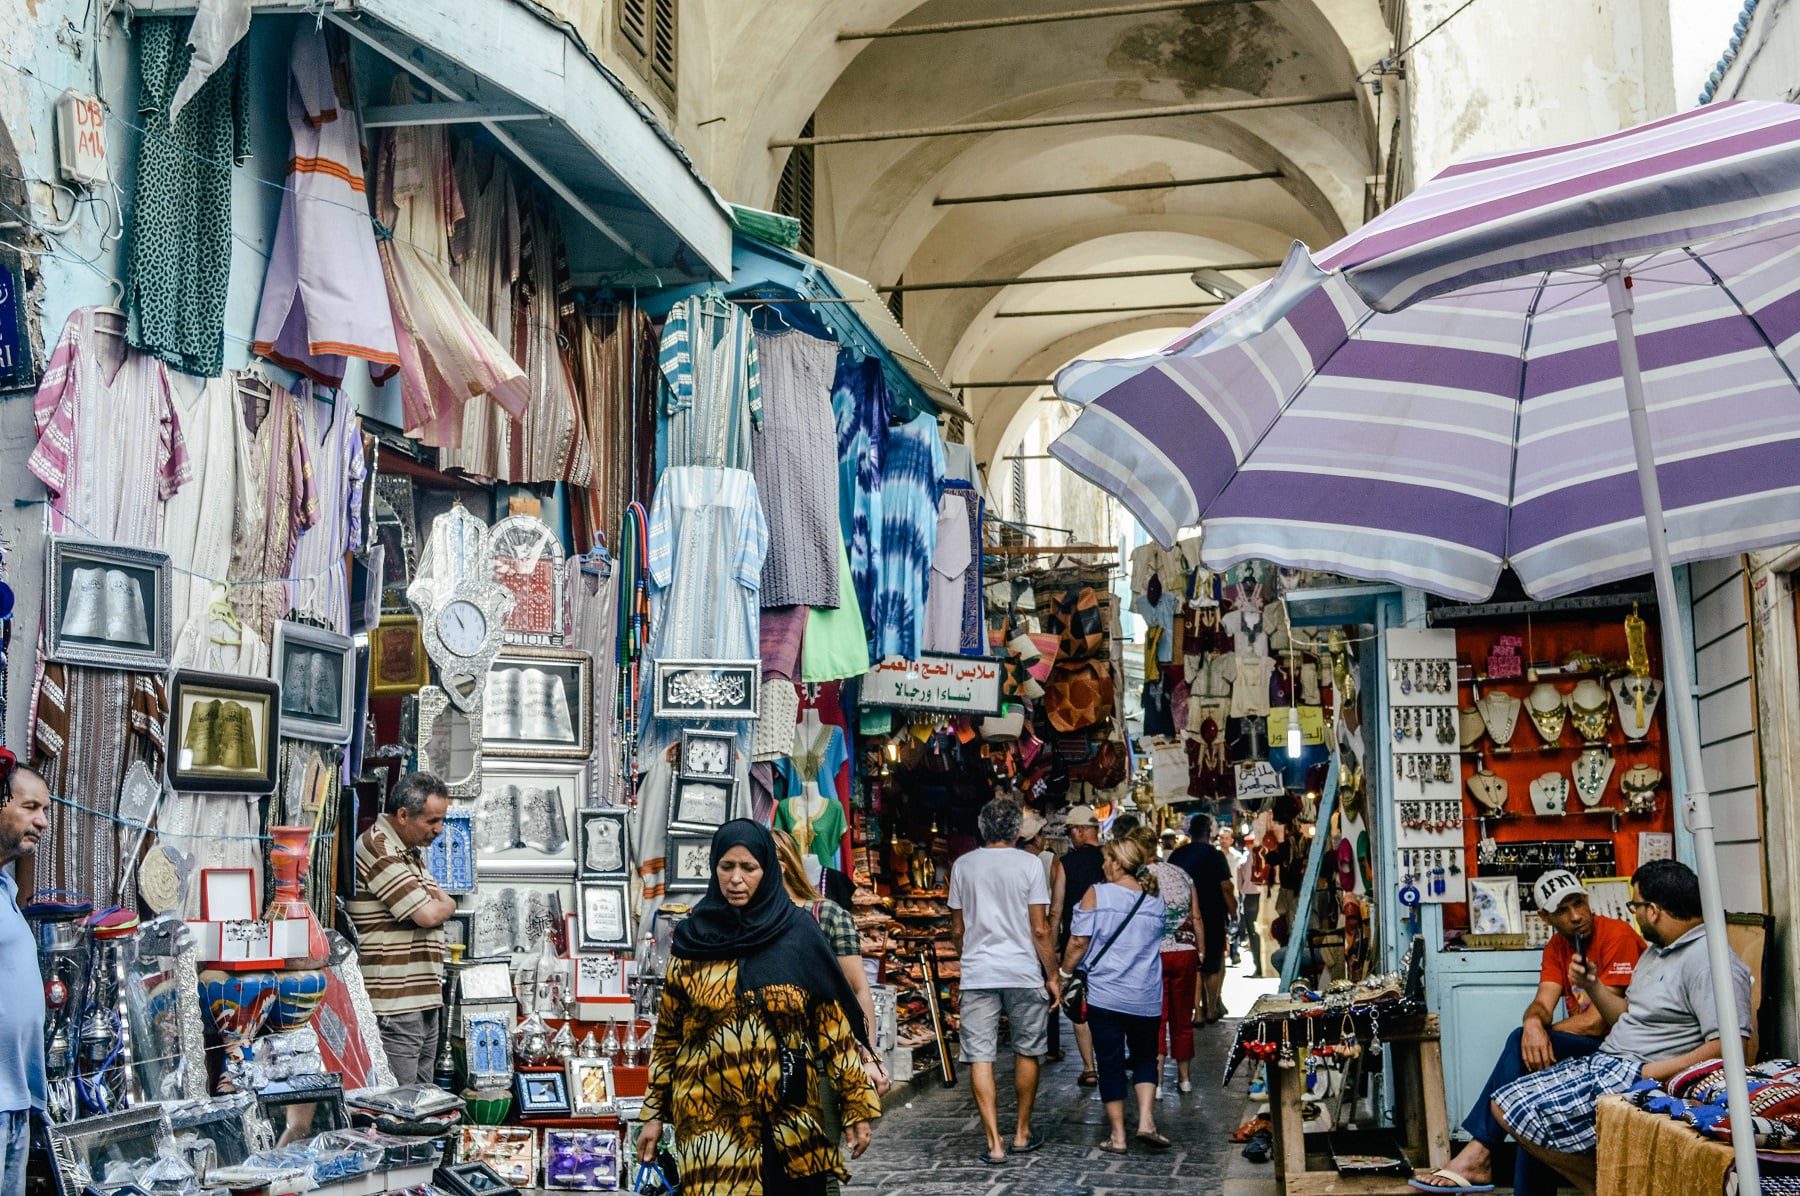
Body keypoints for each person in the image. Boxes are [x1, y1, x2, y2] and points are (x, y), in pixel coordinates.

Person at [638, 821, 879, 1195]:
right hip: (711, 1127)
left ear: (767, 871)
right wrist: (653, 1114)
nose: (736, 879)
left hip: (788, 1123)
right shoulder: (693, 940)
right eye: (726, 867)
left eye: (748, 868)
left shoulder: (799, 935)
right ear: (714, 868)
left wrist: (855, 1106)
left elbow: (833, 1031)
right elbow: (668, 1037)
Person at [1487, 861, 1752, 1196]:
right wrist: (1593, 985)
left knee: (1515, 1106)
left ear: (1653, 910)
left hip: (1638, 1070)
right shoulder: (1658, 951)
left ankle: (1609, 1187)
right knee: (1515, 1101)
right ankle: (1610, 1185)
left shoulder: (1710, 963)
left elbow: (1731, 1049)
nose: (1634, 914)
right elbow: (1626, 1016)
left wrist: (1649, 1070)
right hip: (1612, 1059)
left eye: (1636, 906)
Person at [1414, 870, 1644, 1194]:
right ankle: (1489, 1164)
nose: (1576, 916)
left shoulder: (1616, 935)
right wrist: (1533, 1025)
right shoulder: (1556, 947)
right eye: (1563, 910)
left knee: (1522, 1049)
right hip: (1590, 1053)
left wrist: (1535, 1036)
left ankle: (1479, 1153)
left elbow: (1598, 1021)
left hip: (1621, 1054)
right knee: (1530, 1087)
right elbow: (1541, 1004)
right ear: (1544, 916)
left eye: (1579, 904)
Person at [949, 798, 1060, 1165]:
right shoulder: (1030, 865)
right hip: (1023, 971)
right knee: (1028, 1049)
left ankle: (994, 1143)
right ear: (1017, 831)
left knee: (980, 1055)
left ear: (983, 830)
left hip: (979, 972)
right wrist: (1053, 975)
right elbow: (1040, 928)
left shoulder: (963, 866)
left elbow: (958, 929)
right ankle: (1022, 1133)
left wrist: (969, 955)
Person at [1061, 834, 1169, 1154]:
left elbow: (1079, 942)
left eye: (1106, 860)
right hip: (1146, 995)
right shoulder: (1155, 899)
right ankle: (1147, 1121)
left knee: (1109, 1064)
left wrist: (1064, 974)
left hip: (1106, 996)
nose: (1103, 866)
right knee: (1146, 1057)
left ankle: (1118, 1136)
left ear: (1118, 863)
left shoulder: (1098, 894)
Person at [347, 771, 457, 1085]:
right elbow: (428, 913)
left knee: (422, 1103)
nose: (439, 829)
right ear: (404, 815)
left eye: (441, 820)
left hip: (421, 998)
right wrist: (442, 906)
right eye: (432, 821)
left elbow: (441, 904)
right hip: (395, 1003)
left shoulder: (408, 851)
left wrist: (442, 906)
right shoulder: (378, 847)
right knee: (400, 1108)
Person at [0, 753, 49, 1196]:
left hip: (15, 1102)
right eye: (30, 808)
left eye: (46, 811)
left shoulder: (6, 888)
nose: (42, 821)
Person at [1143, 828, 1204, 1094]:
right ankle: (1185, 1079)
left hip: (1154, 954)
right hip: (1185, 951)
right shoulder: (1181, 873)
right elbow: (1197, 917)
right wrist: (1200, 950)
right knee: (1182, 1019)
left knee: (1156, 1019)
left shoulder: (1140, 877)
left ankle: (1156, 1083)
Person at [1049, 805, 1103, 1078]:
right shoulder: (1112, 859)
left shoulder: (1065, 863)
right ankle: (1110, 1060)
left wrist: (1053, 947)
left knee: (1079, 1002)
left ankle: (1090, 1068)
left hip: (1077, 942)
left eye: (1071, 831)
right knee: (1107, 1001)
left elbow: (1056, 909)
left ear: (1081, 831)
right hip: (1109, 943)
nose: (1071, 836)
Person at [1169, 813, 1236, 1023]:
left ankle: (1197, 1009)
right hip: (1213, 914)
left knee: (1193, 962)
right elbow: (1226, 887)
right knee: (1214, 962)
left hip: (1184, 917)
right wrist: (1234, 912)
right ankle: (1211, 1008)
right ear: (1209, 832)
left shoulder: (1177, 856)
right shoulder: (1215, 856)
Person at [1236, 831, 1266, 976]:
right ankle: (1265, 966)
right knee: (1264, 932)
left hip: (1249, 898)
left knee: (1254, 934)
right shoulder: (1264, 855)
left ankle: (1259, 967)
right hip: (1263, 896)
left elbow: (1239, 885)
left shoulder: (1242, 860)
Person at [1218, 825, 1246, 966]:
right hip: (1218, 895)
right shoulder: (1215, 856)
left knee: (1234, 923)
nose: (1223, 841)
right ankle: (1224, 952)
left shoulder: (1237, 857)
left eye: (1226, 838)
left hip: (1234, 894)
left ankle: (1234, 952)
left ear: (1232, 840)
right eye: (1221, 838)